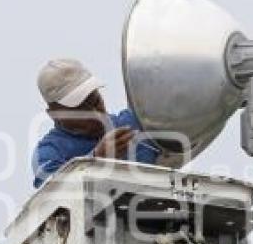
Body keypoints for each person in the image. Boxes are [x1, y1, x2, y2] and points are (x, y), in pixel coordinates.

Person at [32, 58, 160, 187]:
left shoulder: (137, 120)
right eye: (81, 111)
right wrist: (97, 159)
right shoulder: (50, 151)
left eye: (96, 101)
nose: (96, 114)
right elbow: (50, 193)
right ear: (55, 115)